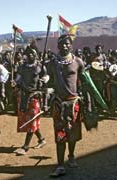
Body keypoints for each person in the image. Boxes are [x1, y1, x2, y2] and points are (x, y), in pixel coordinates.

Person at [48, 34, 85, 177]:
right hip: (59, 103)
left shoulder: (78, 62)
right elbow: (48, 79)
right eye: (61, 44)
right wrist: (46, 84)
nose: (64, 46)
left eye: (67, 43)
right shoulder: (52, 63)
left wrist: (85, 97)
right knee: (60, 135)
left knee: (73, 132)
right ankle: (60, 165)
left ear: (71, 45)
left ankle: (71, 155)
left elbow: (83, 81)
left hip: (74, 103)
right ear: (58, 46)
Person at [12, 46, 49, 155]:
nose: (30, 56)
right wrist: (15, 82)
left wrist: (46, 103)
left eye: (32, 53)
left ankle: (25, 147)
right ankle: (41, 139)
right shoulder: (22, 67)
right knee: (30, 121)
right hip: (23, 97)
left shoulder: (40, 68)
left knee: (32, 120)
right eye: (28, 54)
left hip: (35, 97)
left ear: (36, 54)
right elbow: (18, 79)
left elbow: (45, 85)